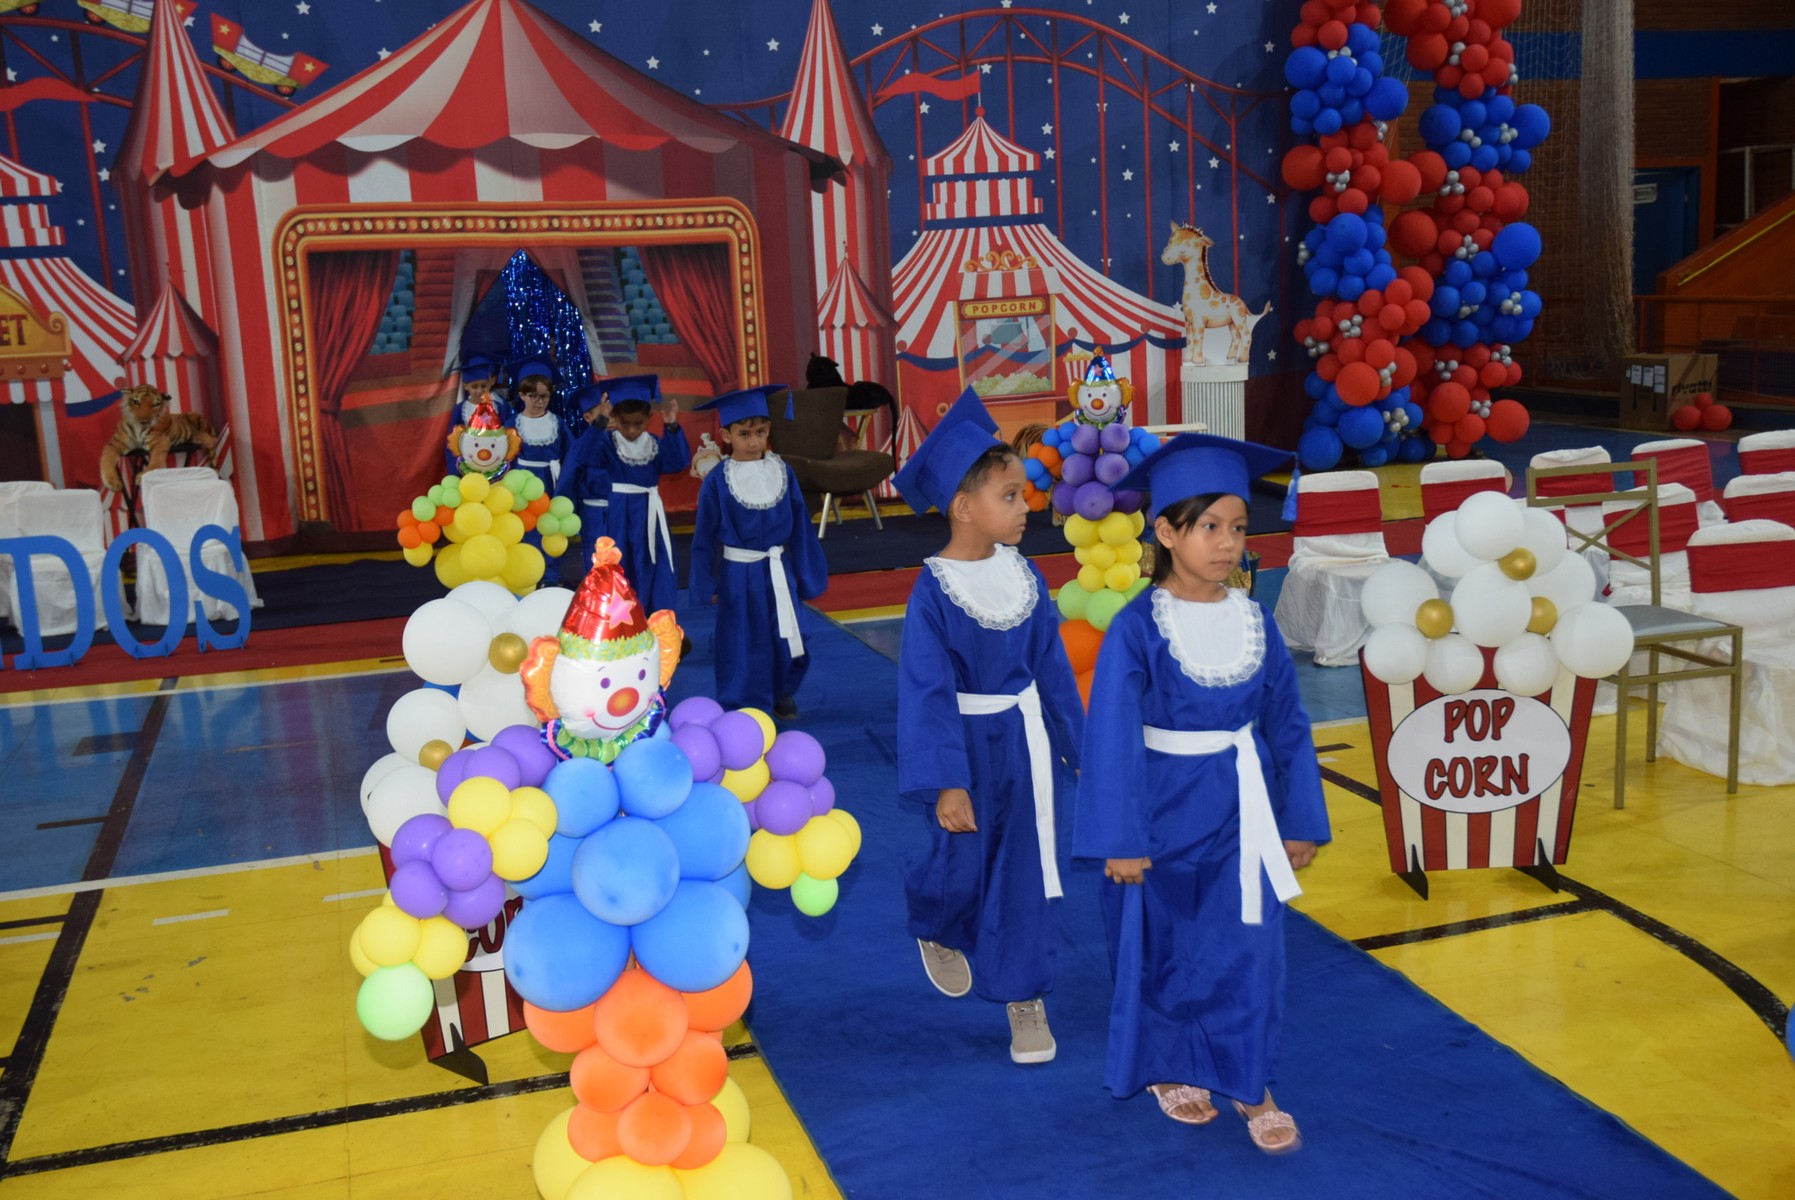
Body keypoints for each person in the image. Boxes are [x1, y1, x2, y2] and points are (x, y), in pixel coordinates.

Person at [1073, 433, 1330, 1155]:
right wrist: (1119, 838)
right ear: (1165, 532)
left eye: (1238, 528)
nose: (1226, 544)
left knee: (1247, 947)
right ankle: (1168, 1066)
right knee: (1162, 946)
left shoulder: (1254, 621)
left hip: (1241, 810)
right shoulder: (1138, 628)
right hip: (1158, 811)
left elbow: (1287, 723)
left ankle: (1250, 1082)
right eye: (1209, 526)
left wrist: (1298, 817)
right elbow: (1111, 734)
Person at [890, 389, 1084, 1065]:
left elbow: (1052, 670)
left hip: (1024, 746)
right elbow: (926, 692)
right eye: (1009, 495)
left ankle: (1023, 995)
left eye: (1023, 492)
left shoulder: (1024, 577)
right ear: (963, 506)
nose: (1026, 505)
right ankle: (935, 922)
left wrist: (1080, 749)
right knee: (961, 864)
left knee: (1023, 870)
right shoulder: (934, 591)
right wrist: (946, 780)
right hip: (964, 748)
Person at [688, 385, 827, 720]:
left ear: (769, 431)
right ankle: (741, 703)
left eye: (761, 432)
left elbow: (801, 527)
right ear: (727, 435)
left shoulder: (783, 472)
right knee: (742, 639)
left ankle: (782, 690)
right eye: (744, 434)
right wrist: (705, 583)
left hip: (778, 569)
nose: (753, 442)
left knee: (790, 634)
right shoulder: (718, 481)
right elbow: (705, 536)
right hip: (739, 575)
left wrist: (806, 574)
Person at [563, 374, 688, 615]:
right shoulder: (607, 443)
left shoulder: (653, 443)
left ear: (649, 419)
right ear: (615, 418)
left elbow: (677, 462)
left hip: (650, 513)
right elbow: (583, 455)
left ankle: (656, 615)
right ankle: (623, 620)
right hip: (620, 513)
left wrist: (672, 428)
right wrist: (600, 422)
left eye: (638, 424)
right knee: (622, 564)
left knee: (654, 562)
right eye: (625, 423)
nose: (631, 430)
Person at [553, 382, 614, 584]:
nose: (610, 415)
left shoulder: (624, 440)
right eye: (603, 411)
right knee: (598, 561)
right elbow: (568, 479)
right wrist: (563, 512)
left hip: (621, 507)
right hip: (594, 513)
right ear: (588, 418)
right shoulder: (582, 446)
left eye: (612, 409)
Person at [510, 357, 569, 493]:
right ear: (522, 395)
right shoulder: (513, 424)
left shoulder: (557, 423)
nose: (540, 401)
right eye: (533, 396)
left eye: (545, 396)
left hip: (550, 482)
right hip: (522, 484)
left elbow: (570, 454)